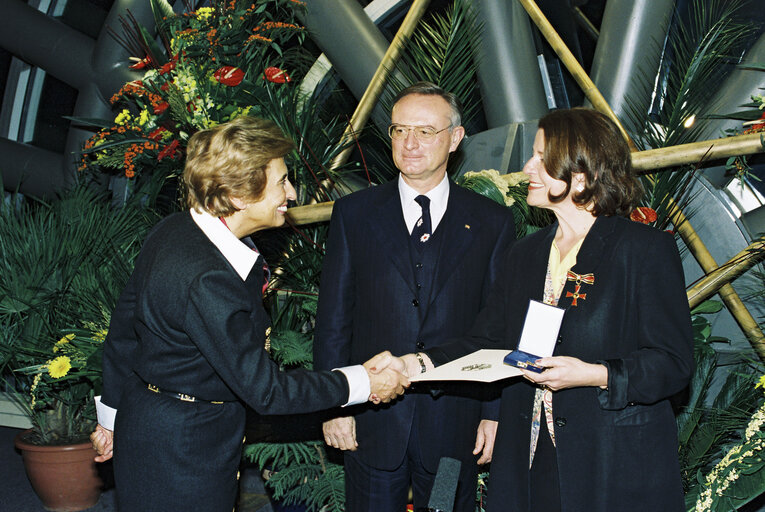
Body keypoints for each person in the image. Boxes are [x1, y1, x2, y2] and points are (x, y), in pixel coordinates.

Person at [89, 116, 409, 512]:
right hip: (184, 451)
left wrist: (110, 418)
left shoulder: (174, 229)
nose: (291, 193)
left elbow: (123, 333)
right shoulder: (208, 278)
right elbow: (267, 391)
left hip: (154, 424)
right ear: (239, 195)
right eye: (282, 182)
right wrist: (363, 382)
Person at [387, 107, 694, 511]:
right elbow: (486, 340)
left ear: (581, 173)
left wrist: (594, 375)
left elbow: (672, 363)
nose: (528, 167)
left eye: (541, 158)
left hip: (610, 461)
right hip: (529, 456)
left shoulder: (642, 250)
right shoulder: (526, 253)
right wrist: (414, 365)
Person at [313, 82, 516, 512]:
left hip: (454, 425)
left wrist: (494, 413)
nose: (410, 143)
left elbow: (497, 327)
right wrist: (334, 404)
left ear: (455, 139)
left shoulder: (491, 223)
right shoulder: (354, 214)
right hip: (371, 421)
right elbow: (334, 318)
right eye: (400, 130)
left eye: (425, 131)